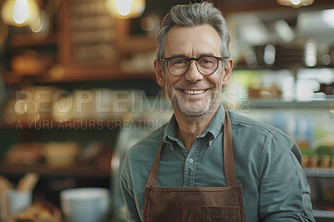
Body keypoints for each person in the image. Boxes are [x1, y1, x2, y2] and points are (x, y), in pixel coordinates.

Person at [119, 2, 315, 222]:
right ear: (160, 72)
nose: (193, 75)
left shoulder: (270, 152)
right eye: (179, 61)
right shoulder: (137, 161)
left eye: (207, 61)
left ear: (225, 71)